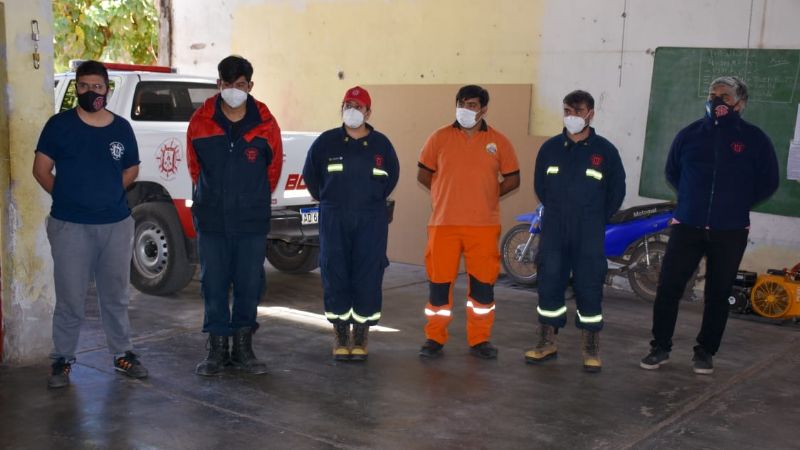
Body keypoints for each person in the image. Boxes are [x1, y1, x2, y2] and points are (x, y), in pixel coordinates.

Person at [640, 76, 779, 375]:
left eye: (725, 96)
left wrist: (736, 204)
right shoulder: (690, 135)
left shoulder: (754, 139)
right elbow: (673, 172)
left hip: (730, 229)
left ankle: (705, 352)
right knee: (669, 288)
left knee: (718, 293)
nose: (717, 100)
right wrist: (692, 201)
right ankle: (659, 347)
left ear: (740, 104)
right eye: (712, 94)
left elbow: (768, 182)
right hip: (688, 225)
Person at [33, 60, 147, 388]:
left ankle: (123, 353)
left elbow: (131, 170)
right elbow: (40, 169)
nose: (90, 92)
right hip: (70, 226)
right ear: (76, 88)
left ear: (107, 90)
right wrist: (68, 196)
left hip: (115, 224)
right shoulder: (59, 126)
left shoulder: (121, 128)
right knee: (70, 296)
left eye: (97, 87)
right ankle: (62, 359)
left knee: (115, 295)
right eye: (84, 86)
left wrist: (108, 194)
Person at [187, 55, 283, 376]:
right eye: (228, 84)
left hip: (251, 222)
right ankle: (216, 349)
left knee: (248, 284)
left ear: (250, 86)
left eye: (240, 85)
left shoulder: (266, 124)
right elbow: (194, 168)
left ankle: (243, 349)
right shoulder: (200, 121)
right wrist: (212, 198)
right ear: (219, 85)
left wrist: (250, 199)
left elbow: (272, 171)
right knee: (213, 284)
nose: (233, 90)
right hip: (212, 220)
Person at [525, 90, 626, 373]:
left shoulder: (605, 151)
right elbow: (540, 187)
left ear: (591, 114)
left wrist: (595, 218)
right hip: (555, 228)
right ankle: (546, 342)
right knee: (549, 282)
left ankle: (590, 348)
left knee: (589, 285)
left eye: (578, 111)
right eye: (567, 110)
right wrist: (559, 212)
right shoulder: (550, 149)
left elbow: (617, 191)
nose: (572, 117)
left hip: (589, 231)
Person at [417, 85, 520, 359]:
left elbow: (513, 179)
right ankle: (434, 338)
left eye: (473, 105)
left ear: (484, 109)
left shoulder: (499, 141)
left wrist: (486, 194)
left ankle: (480, 339)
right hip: (444, 225)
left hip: (483, 227)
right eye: (462, 103)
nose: (466, 109)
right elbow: (423, 174)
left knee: (483, 286)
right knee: (439, 284)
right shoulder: (439, 137)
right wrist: (445, 194)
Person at [302, 86, 399, 361]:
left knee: (368, 273)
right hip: (334, 216)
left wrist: (371, 202)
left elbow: (391, 178)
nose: (352, 110)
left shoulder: (382, 144)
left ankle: (361, 335)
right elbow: (311, 177)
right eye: (347, 104)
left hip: (371, 219)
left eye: (358, 105)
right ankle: (341, 333)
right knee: (336, 271)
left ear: (368, 112)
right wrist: (331, 201)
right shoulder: (326, 142)